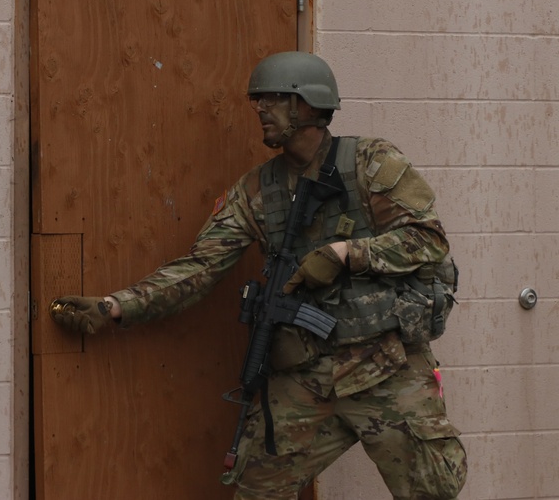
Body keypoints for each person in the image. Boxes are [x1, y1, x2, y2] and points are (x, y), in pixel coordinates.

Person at [50, 51, 467, 500]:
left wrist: (348, 253)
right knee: (255, 492)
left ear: (307, 105)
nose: (260, 109)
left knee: (433, 491)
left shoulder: (369, 162)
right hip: (304, 376)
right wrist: (116, 306)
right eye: (258, 100)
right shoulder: (255, 191)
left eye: (272, 98)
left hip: (385, 368)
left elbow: (428, 238)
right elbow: (200, 267)